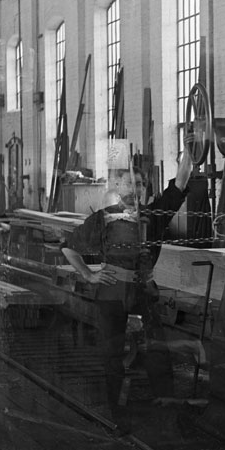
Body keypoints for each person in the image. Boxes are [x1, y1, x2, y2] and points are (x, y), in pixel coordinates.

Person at [61, 146, 193, 432]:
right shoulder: (103, 219)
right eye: (129, 183)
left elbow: (182, 180)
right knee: (113, 357)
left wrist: (191, 147)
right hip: (111, 293)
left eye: (140, 183)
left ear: (146, 188)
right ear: (118, 187)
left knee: (158, 353)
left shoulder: (155, 215)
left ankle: (167, 416)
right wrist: (89, 275)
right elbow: (69, 248)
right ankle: (119, 417)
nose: (135, 188)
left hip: (144, 292)